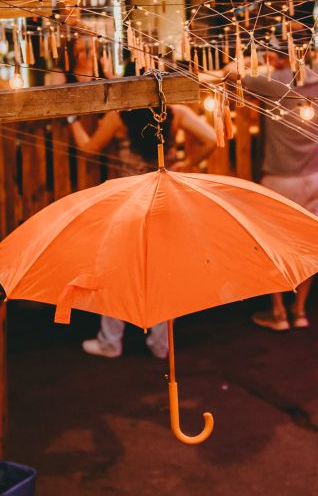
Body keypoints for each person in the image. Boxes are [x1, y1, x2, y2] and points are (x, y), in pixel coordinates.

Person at [68, 100, 216, 358]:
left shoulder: (118, 117)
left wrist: (71, 120)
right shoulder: (175, 113)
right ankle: (161, 344)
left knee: (116, 273)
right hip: (164, 200)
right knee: (163, 273)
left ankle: (110, 342)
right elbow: (211, 139)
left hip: (130, 203)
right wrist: (188, 163)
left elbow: (89, 148)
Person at [225, 39, 318, 331]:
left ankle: (279, 312)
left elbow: (229, 71)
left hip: (280, 179)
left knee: (273, 245)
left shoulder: (273, 81)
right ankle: (300, 311)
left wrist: (261, 62)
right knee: (308, 247)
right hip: (314, 177)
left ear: (279, 56)